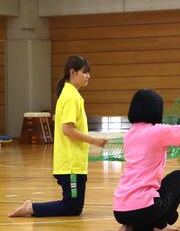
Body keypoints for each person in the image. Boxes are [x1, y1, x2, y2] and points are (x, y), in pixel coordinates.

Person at [8, 56, 107, 217]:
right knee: (72, 207)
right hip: (71, 165)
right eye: (85, 72)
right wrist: (94, 140)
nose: (88, 76)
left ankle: (32, 208)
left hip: (73, 164)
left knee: (74, 207)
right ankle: (31, 208)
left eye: (89, 73)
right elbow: (67, 129)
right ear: (73, 73)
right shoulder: (71, 97)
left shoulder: (71, 94)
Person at [113, 89, 180, 231]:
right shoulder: (157, 131)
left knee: (154, 202)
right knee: (178, 178)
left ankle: (131, 225)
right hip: (144, 208)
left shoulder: (129, 134)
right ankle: (160, 225)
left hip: (120, 211)